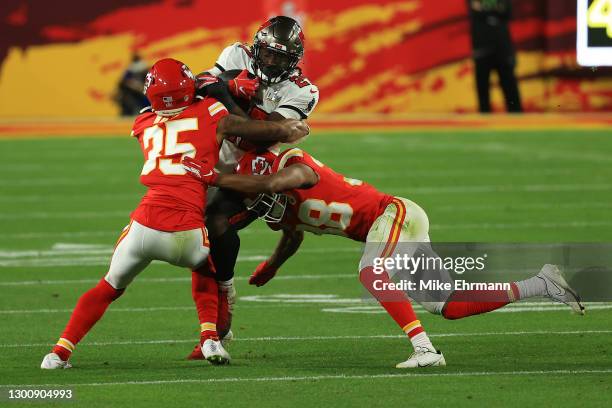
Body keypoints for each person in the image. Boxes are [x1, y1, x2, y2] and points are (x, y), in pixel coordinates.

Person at [181, 148, 585, 368]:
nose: (261, 204)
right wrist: (273, 265)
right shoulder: (276, 201)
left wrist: (215, 176)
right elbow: (292, 232)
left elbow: (283, 181)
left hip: (394, 214)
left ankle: (426, 351)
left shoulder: (292, 166)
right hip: (395, 223)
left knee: (371, 272)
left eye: (258, 193)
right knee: (448, 304)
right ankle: (542, 283)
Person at [40, 58, 308, 369]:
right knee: (207, 268)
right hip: (187, 229)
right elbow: (266, 131)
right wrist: (233, 91)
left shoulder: (141, 123)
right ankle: (210, 337)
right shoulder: (213, 113)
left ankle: (58, 353)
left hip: (145, 225)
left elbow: (171, 105)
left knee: (108, 286)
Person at [187, 15, 319, 359]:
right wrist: (228, 86)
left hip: (255, 167)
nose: (273, 62)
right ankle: (211, 329)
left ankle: (225, 295)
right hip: (211, 155)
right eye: (269, 54)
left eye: (281, 57)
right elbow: (198, 86)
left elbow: (259, 138)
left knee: (215, 223)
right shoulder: (236, 56)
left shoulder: (303, 89)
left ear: (294, 59)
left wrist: (225, 95)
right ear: (256, 48)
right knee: (192, 238)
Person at [467, 0, 522, 113]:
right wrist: (495, 13)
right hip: (481, 47)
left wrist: (484, 11)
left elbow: (507, 12)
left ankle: (518, 121)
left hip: (502, 47)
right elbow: (475, 11)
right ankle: (484, 123)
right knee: (483, 89)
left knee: (510, 87)